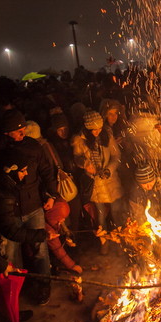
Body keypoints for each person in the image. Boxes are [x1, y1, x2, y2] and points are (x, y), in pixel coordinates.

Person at [0, 148, 50, 304]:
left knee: (39, 253)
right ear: (10, 170)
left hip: (30, 209)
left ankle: (42, 286)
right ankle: (14, 297)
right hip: (5, 225)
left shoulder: (5, 182)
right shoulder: (2, 193)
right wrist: (44, 235)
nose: (26, 174)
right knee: (12, 260)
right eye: (23, 171)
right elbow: (11, 231)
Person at [71, 110, 124, 254]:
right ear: (87, 129)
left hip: (111, 181)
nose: (97, 132)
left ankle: (120, 242)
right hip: (96, 184)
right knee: (100, 216)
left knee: (116, 213)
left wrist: (109, 170)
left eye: (99, 129)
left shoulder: (107, 135)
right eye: (94, 130)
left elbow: (116, 156)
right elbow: (77, 158)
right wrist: (85, 163)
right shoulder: (79, 140)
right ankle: (104, 242)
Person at [44, 199, 82, 274]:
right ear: (53, 215)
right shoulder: (47, 229)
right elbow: (56, 247)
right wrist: (72, 266)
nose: (63, 220)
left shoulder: (51, 219)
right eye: (60, 218)